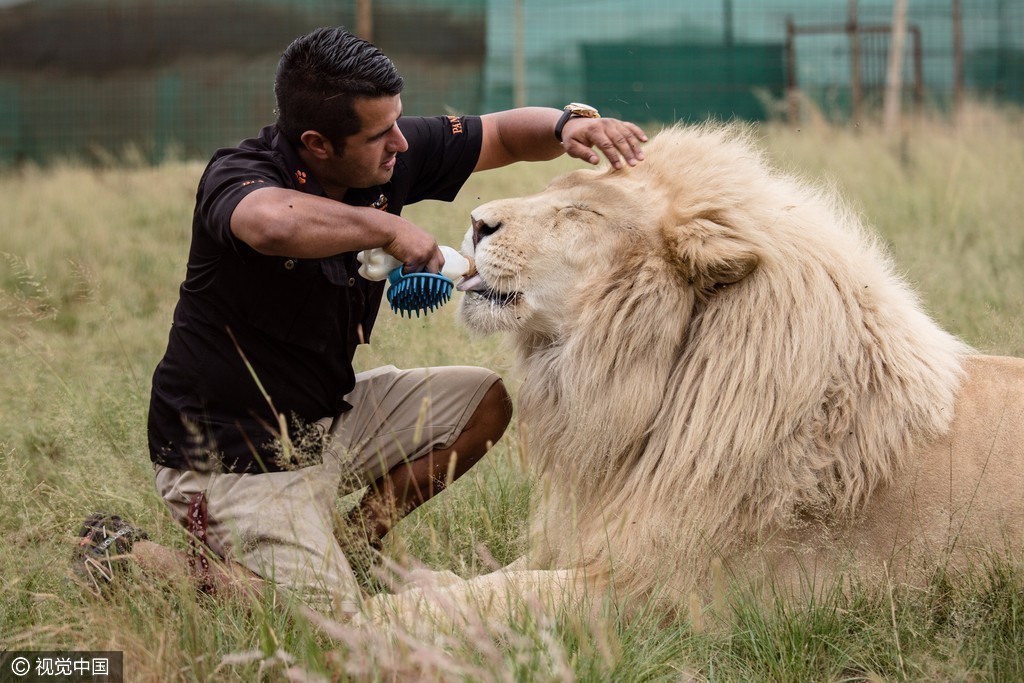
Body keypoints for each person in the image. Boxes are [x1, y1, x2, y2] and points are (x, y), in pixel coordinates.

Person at [72, 26, 647, 617]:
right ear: (318, 143)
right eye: (380, 134)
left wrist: (566, 125)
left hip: (327, 422)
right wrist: (389, 229)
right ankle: (131, 558)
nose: (400, 142)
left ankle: (349, 548)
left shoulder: (385, 155)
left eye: (398, 122)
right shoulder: (241, 175)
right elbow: (268, 224)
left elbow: (498, 133)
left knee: (483, 402)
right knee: (331, 628)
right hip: (230, 457)